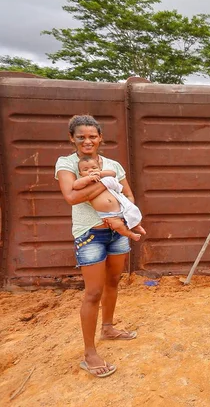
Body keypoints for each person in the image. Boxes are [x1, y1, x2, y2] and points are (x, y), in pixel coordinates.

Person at [55, 115, 138, 378]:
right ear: (72, 138)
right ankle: (89, 353)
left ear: (100, 137)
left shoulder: (113, 165)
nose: (87, 141)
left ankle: (109, 327)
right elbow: (71, 197)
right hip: (90, 234)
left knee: (113, 282)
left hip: (117, 232)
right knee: (93, 292)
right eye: (81, 137)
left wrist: (118, 217)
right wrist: (104, 183)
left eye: (92, 136)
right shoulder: (66, 164)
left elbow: (129, 195)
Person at [75, 156, 146, 241]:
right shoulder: (84, 183)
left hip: (121, 206)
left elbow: (113, 173)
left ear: (100, 168)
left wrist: (100, 174)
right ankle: (130, 234)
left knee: (133, 212)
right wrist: (88, 179)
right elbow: (75, 185)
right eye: (85, 170)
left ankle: (137, 226)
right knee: (117, 226)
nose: (91, 170)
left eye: (94, 168)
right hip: (108, 214)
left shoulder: (103, 178)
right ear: (80, 174)